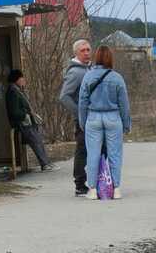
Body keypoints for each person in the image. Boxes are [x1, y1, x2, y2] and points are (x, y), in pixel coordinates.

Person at [78, 46, 131, 200]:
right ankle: (116, 189)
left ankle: (93, 189)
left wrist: (83, 121)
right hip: (113, 118)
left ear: (96, 58)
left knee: (93, 154)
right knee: (115, 154)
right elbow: (124, 104)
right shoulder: (117, 78)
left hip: (93, 118)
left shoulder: (88, 77)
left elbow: (82, 102)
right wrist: (126, 124)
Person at [5, 69, 57, 172]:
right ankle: (45, 164)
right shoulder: (13, 92)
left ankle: (46, 162)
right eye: (21, 78)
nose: (23, 80)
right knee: (35, 140)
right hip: (21, 122)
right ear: (16, 79)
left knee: (38, 139)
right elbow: (14, 112)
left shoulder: (18, 90)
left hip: (26, 122)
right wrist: (26, 114)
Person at [59, 39, 91, 196]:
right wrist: (79, 113)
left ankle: (93, 181)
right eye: (83, 50)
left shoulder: (87, 68)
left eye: (88, 50)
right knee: (82, 150)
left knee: (90, 150)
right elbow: (64, 96)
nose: (86, 53)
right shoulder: (76, 72)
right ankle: (79, 184)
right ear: (76, 53)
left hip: (91, 119)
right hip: (82, 120)